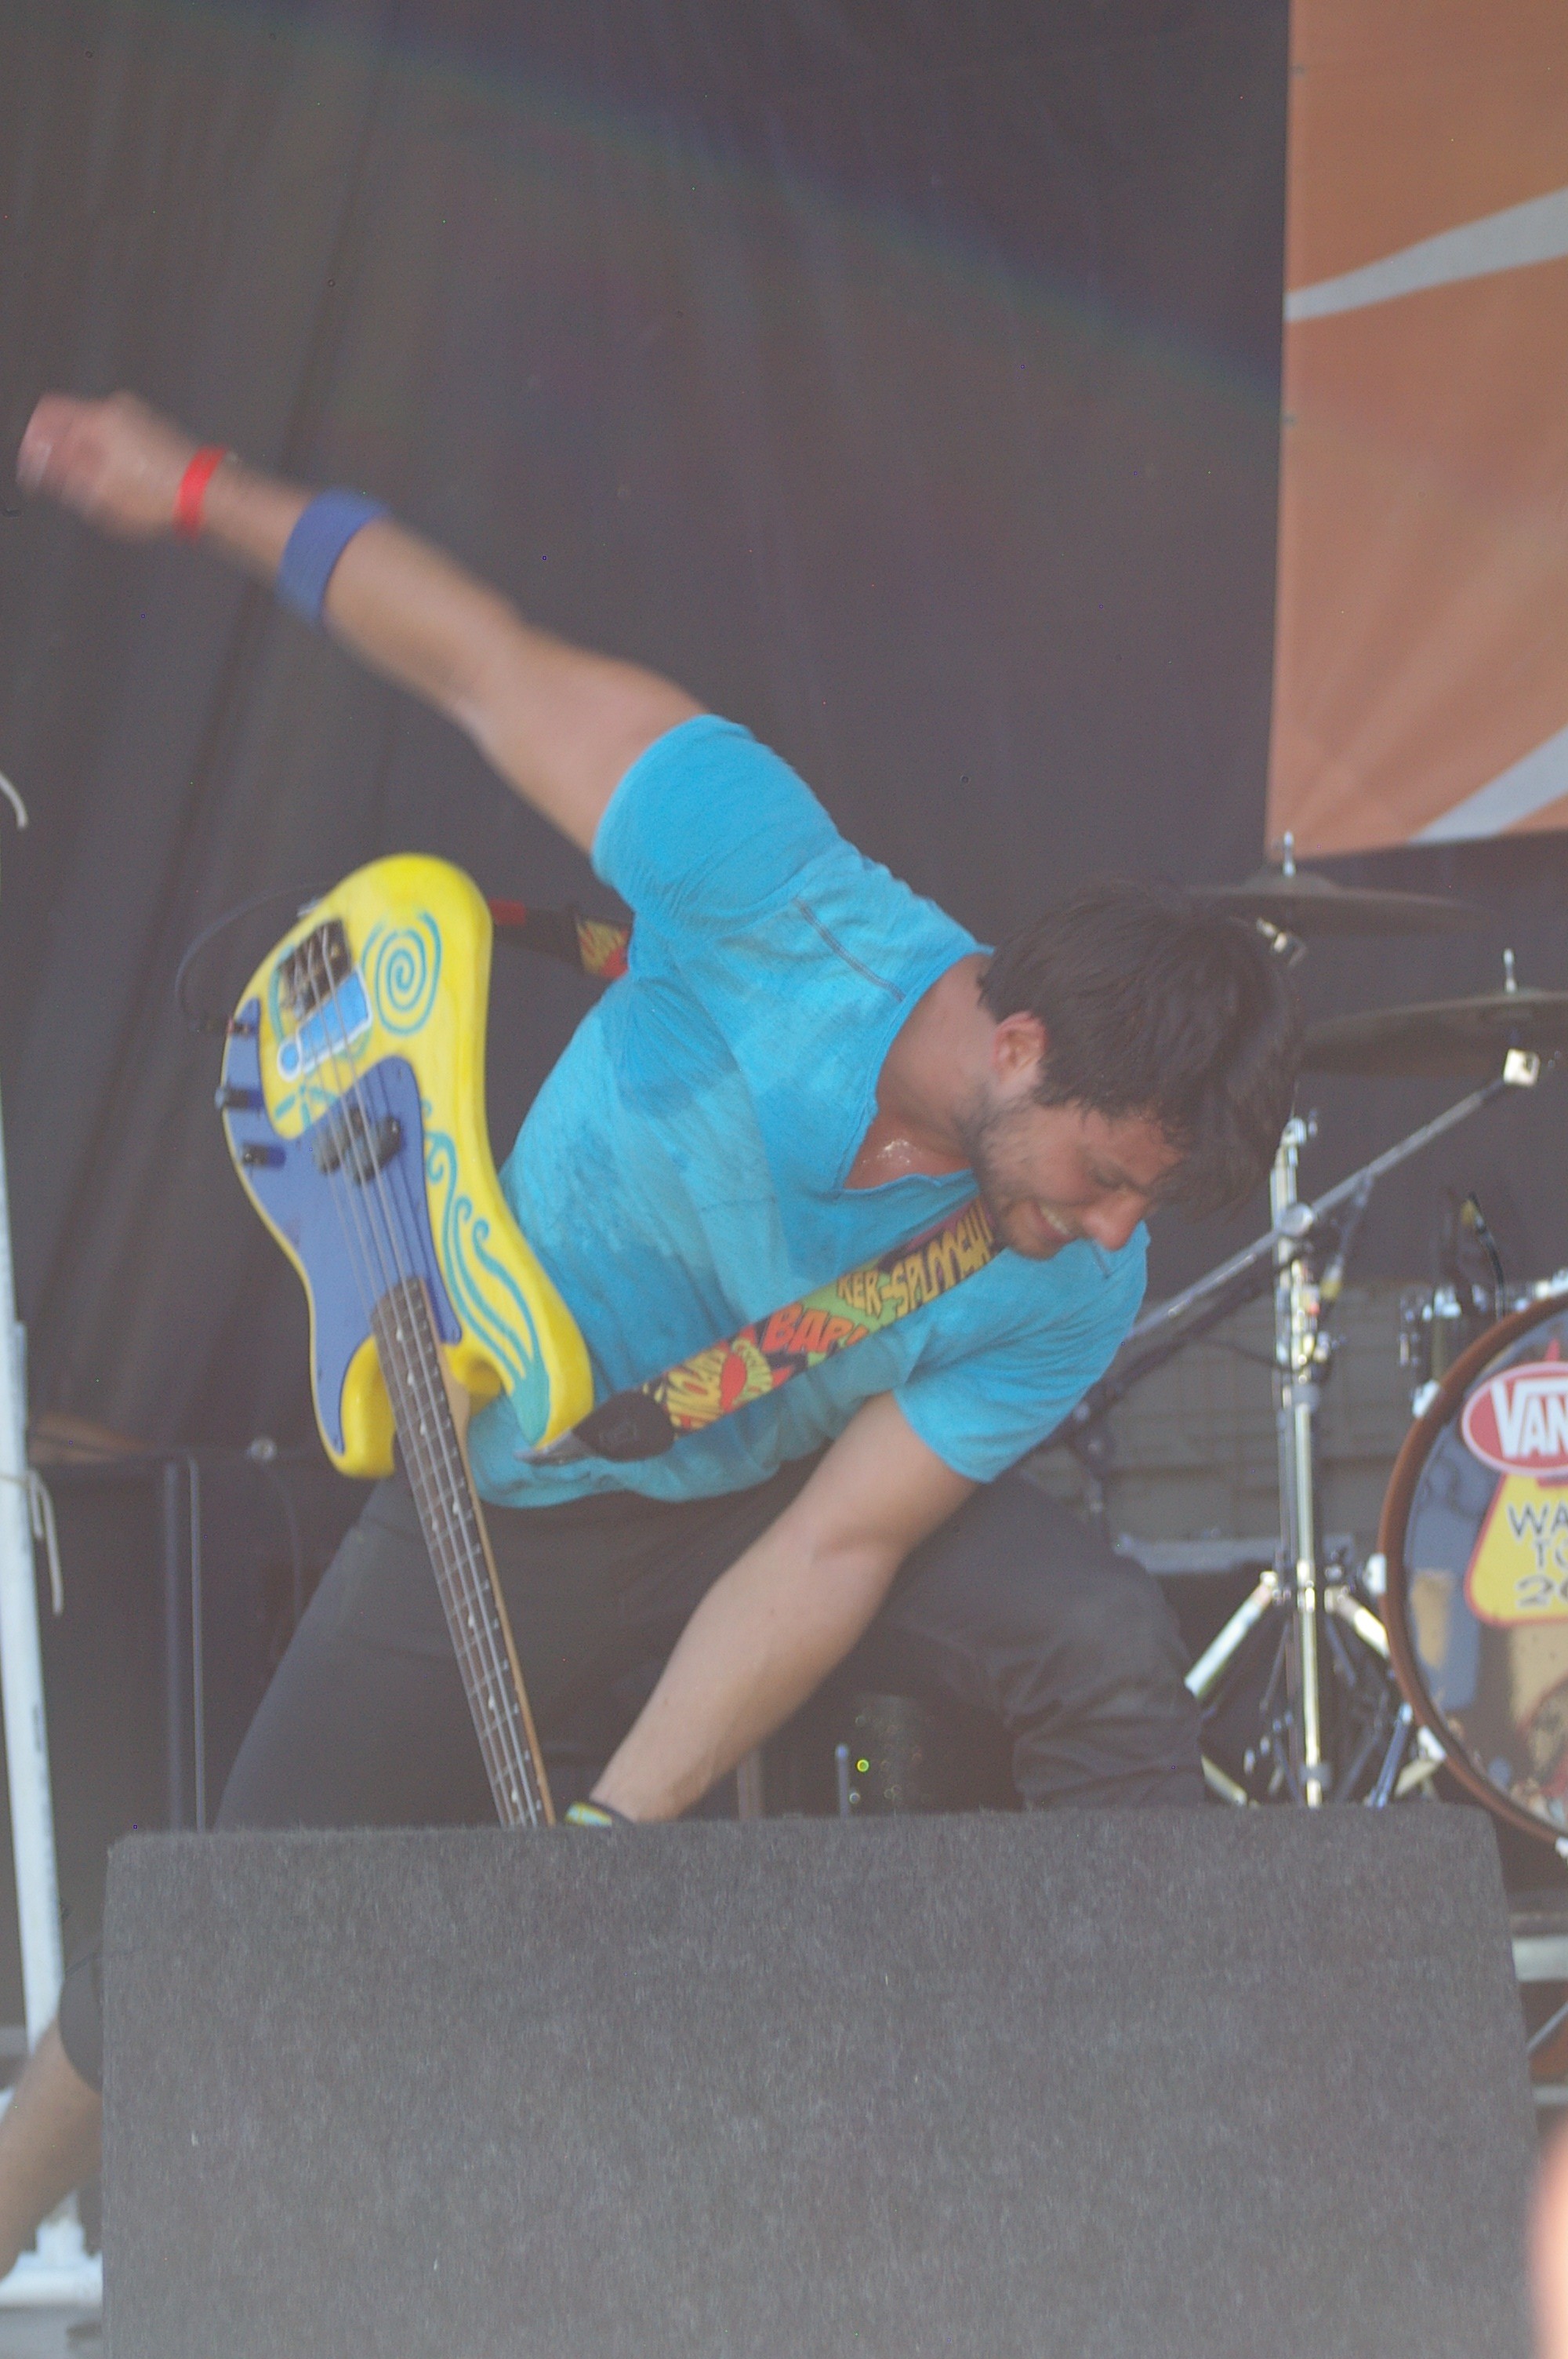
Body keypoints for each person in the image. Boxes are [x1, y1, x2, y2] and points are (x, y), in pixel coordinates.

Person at [0, 391, 1301, 2263]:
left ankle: (1174, 2181)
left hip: (772, 1507)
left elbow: (836, 1545)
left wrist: (609, 1837)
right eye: (1104, 1175)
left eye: (1141, 1210)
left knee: (1093, 1634)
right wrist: (195, 488)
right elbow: (472, 653)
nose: (1113, 1236)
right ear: (1019, 1044)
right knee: (213, 1922)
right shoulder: (760, 877)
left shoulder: (1069, 1280)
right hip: (520, 1488)